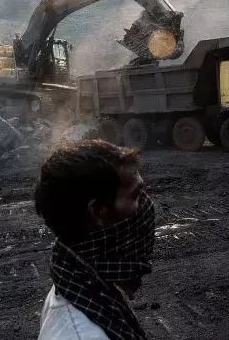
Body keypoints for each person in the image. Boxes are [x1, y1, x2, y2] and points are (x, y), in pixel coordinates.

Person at [34, 140, 155, 340]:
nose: (146, 203)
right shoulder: (83, 334)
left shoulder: (80, 281)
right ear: (99, 212)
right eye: (135, 196)